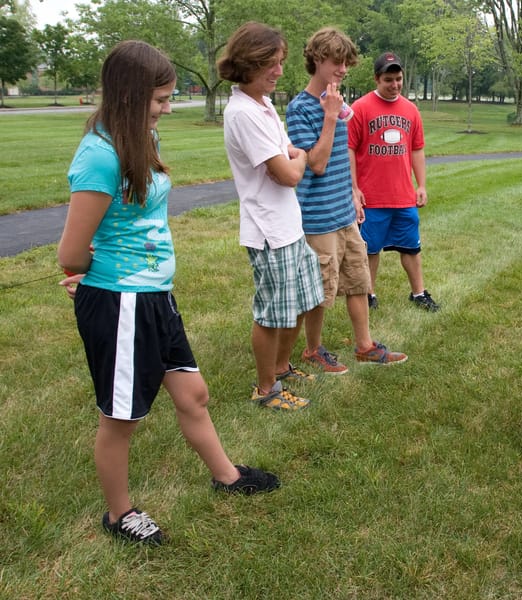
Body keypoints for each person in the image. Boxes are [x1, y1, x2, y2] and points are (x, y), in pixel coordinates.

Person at [57, 40, 279, 546]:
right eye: (159, 99)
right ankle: (119, 515)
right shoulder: (100, 154)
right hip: (122, 303)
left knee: (193, 393)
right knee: (121, 418)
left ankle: (227, 476)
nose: (166, 108)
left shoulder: (140, 139)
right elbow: (70, 253)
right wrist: (98, 280)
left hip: (153, 296)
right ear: (129, 96)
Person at [286, 27, 407, 374]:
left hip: (343, 212)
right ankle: (313, 350)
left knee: (358, 281)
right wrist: (328, 115)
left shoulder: (338, 104)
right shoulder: (301, 109)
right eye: (337, 62)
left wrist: (353, 193)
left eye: (346, 64)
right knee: (321, 291)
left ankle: (365, 346)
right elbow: (317, 163)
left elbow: (343, 156)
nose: (343, 70)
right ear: (317, 60)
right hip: (318, 217)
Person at [218, 22, 324, 410]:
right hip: (268, 230)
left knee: (300, 302)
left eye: (280, 62)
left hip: (289, 225)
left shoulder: (263, 105)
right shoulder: (243, 113)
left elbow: (293, 154)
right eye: (271, 64)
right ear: (249, 63)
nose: (280, 71)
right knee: (271, 313)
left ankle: (281, 367)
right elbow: (289, 173)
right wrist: (298, 159)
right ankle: (266, 391)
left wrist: (296, 156)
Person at [348, 52, 439, 313]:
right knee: (370, 249)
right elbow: (349, 150)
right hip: (372, 196)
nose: (395, 84)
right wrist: (354, 189)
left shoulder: (410, 110)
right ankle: (368, 294)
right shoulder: (360, 109)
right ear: (377, 78)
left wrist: (421, 185)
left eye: (398, 79)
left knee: (411, 247)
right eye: (389, 79)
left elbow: (416, 149)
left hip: (403, 195)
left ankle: (419, 293)